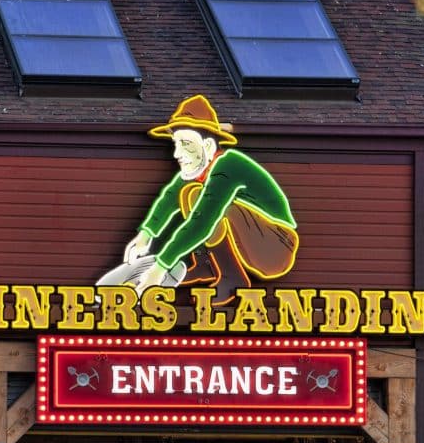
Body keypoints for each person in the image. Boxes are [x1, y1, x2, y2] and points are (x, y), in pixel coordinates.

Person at [98, 95, 299, 305]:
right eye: (176, 144)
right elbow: (168, 199)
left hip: (277, 245)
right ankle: (208, 266)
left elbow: (202, 222)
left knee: (201, 201)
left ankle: (233, 277)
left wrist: (160, 267)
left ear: (208, 146)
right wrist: (145, 234)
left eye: (186, 144)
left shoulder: (229, 164)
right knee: (188, 192)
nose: (177, 153)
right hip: (254, 240)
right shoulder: (196, 170)